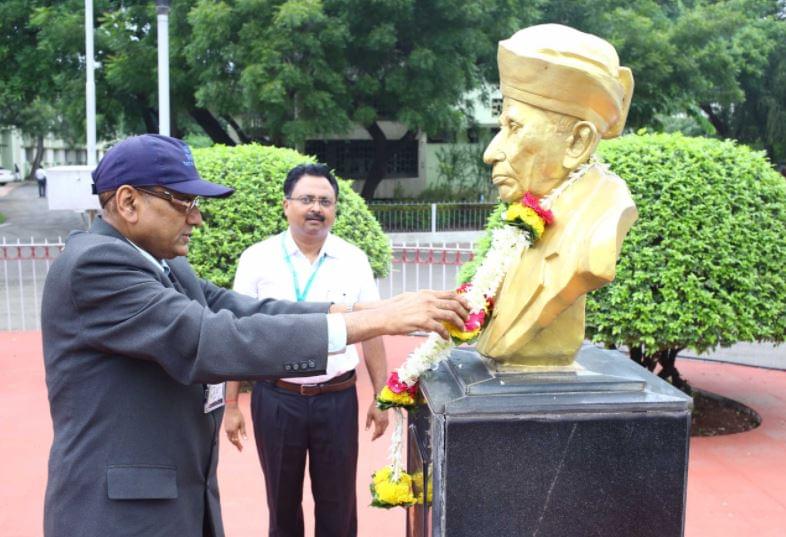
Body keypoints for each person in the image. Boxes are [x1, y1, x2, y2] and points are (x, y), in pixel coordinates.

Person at [40, 134, 468, 537]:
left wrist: (382, 309)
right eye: (183, 201)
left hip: (172, 499)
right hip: (120, 515)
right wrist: (378, 321)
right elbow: (211, 339)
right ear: (129, 202)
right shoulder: (95, 266)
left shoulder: (167, 265)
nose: (197, 217)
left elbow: (253, 310)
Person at [224, 163, 388, 537]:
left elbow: (373, 330)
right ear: (286, 205)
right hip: (277, 399)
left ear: (334, 209)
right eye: (307, 199)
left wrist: (382, 396)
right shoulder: (257, 259)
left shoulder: (353, 260)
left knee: (339, 504)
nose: (316, 208)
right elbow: (236, 333)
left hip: (337, 398)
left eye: (325, 201)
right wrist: (231, 406)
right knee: (281, 505)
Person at [474, 24, 638, 366]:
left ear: (577, 143)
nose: (491, 152)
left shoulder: (600, 219)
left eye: (514, 128)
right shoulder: (532, 212)